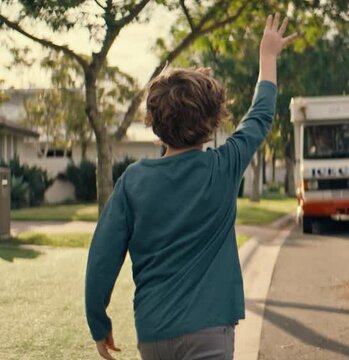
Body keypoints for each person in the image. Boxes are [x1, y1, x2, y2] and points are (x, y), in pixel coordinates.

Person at [84, 14, 298, 360]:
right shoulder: (224, 166)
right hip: (209, 331)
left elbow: (101, 260)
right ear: (212, 123)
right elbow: (260, 115)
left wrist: (99, 323)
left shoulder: (133, 182)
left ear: (154, 124)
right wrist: (268, 56)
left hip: (153, 334)